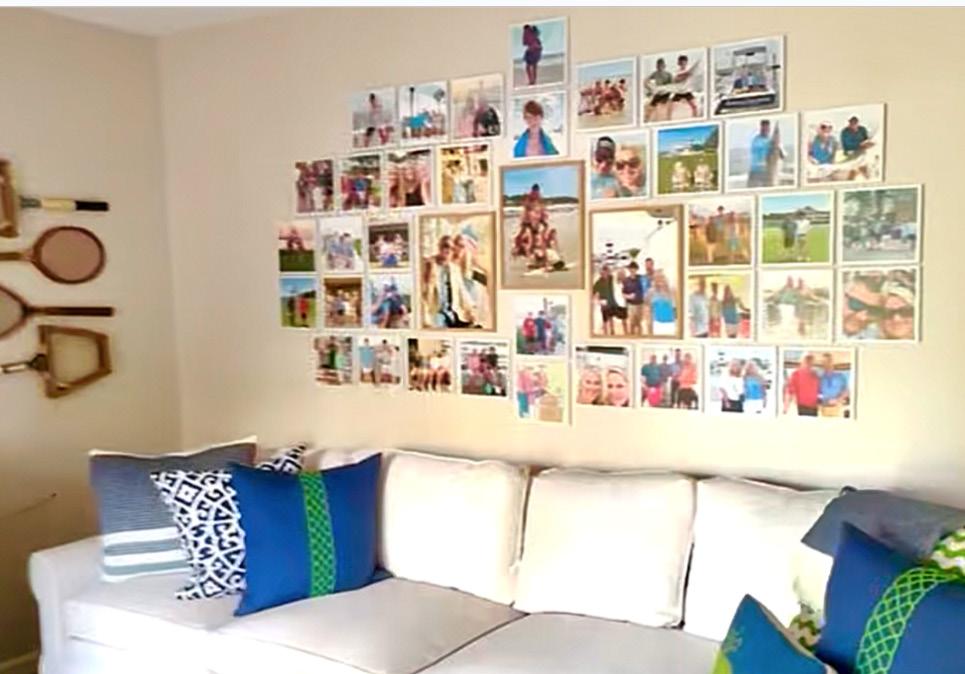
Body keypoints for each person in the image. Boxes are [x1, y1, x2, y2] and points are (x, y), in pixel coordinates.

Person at [747, 119, 784, 188]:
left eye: (767, 128)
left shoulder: (771, 140)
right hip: (756, 171)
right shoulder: (756, 140)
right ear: (761, 128)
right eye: (763, 128)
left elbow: (782, 156)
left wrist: (779, 148)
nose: (765, 130)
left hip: (768, 172)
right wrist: (772, 146)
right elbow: (760, 152)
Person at [593, 265, 626, 335]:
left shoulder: (612, 278)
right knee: (605, 320)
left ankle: (612, 332)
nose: (605, 274)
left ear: (608, 272)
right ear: (601, 273)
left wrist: (621, 274)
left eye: (606, 272)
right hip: (604, 304)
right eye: (603, 272)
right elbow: (593, 293)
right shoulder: (598, 282)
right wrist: (598, 301)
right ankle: (606, 333)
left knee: (613, 318)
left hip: (613, 303)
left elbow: (619, 280)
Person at [818, 353, 850, 417]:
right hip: (823, 408)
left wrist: (838, 400)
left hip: (837, 408)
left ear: (832, 362)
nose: (826, 364)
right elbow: (816, 393)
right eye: (823, 362)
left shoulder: (840, 376)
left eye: (828, 361)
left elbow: (846, 391)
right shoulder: (820, 378)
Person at [622, 261, 649, 336]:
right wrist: (628, 296)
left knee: (639, 323)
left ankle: (640, 338)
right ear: (628, 269)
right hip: (631, 305)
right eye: (631, 268)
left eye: (634, 268)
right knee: (632, 323)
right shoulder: (626, 280)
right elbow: (623, 293)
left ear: (637, 269)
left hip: (640, 304)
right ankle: (632, 337)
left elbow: (645, 289)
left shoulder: (641, 278)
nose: (632, 270)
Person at [649, 272, 677, 337]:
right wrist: (650, 326)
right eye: (657, 278)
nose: (660, 280)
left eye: (661, 277)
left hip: (670, 323)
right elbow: (649, 310)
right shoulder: (651, 292)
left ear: (665, 279)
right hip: (657, 323)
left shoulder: (672, 291)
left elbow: (676, 308)